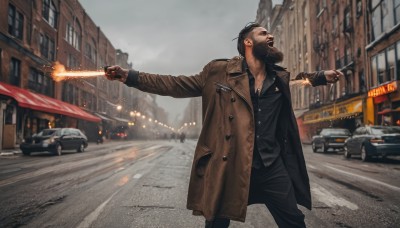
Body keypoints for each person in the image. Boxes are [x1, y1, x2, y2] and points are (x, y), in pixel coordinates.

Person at [105, 22, 343, 228]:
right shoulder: (219, 72)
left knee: (293, 221)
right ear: (248, 43)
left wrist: (321, 76)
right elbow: (175, 84)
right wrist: (130, 76)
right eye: (263, 34)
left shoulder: (278, 78)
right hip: (231, 164)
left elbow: (300, 78)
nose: (270, 36)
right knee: (216, 223)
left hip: (271, 166)